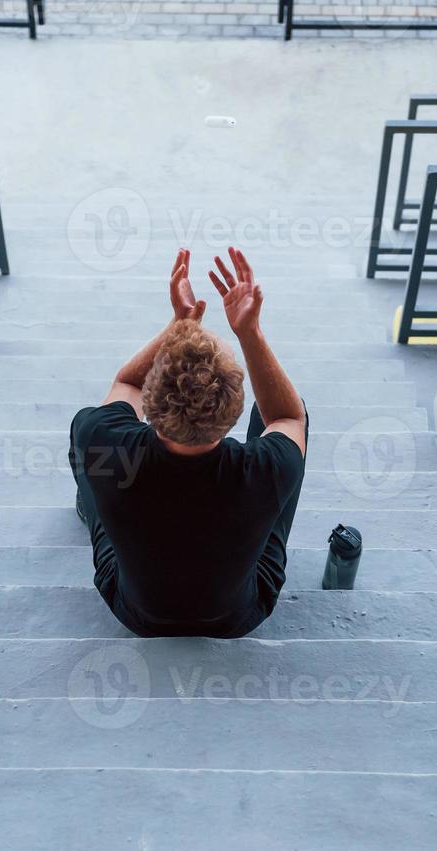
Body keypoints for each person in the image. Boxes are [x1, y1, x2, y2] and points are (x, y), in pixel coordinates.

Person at [68, 247, 308, 638]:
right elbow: (286, 417)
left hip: (135, 613)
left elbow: (126, 383)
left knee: (92, 455)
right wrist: (249, 333)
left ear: (150, 401)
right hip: (238, 616)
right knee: (288, 433)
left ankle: (88, 500)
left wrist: (180, 324)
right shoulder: (267, 469)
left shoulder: (104, 440)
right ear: (231, 409)